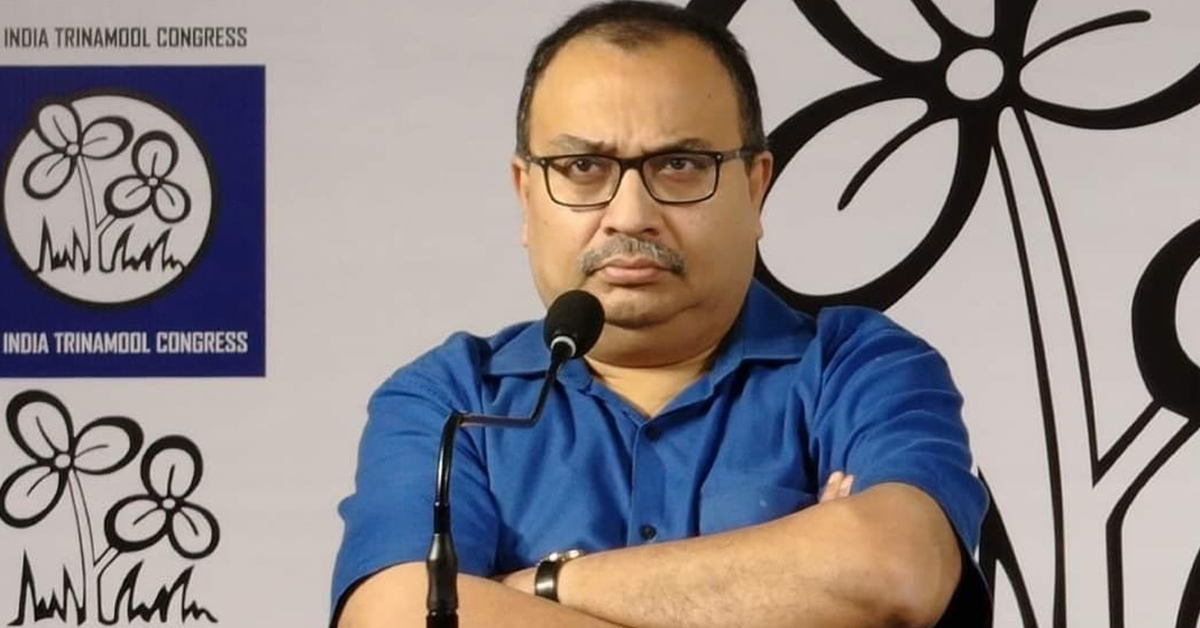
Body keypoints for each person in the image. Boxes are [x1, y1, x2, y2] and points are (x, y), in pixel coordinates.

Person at [331, 2, 989, 627]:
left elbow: (892, 571)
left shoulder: (861, 369)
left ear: (755, 187)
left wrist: (540, 585)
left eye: (679, 164)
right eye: (582, 166)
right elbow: (395, 615)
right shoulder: (450, 403)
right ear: (525, 193)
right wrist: (790, 584)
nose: (630, 215)